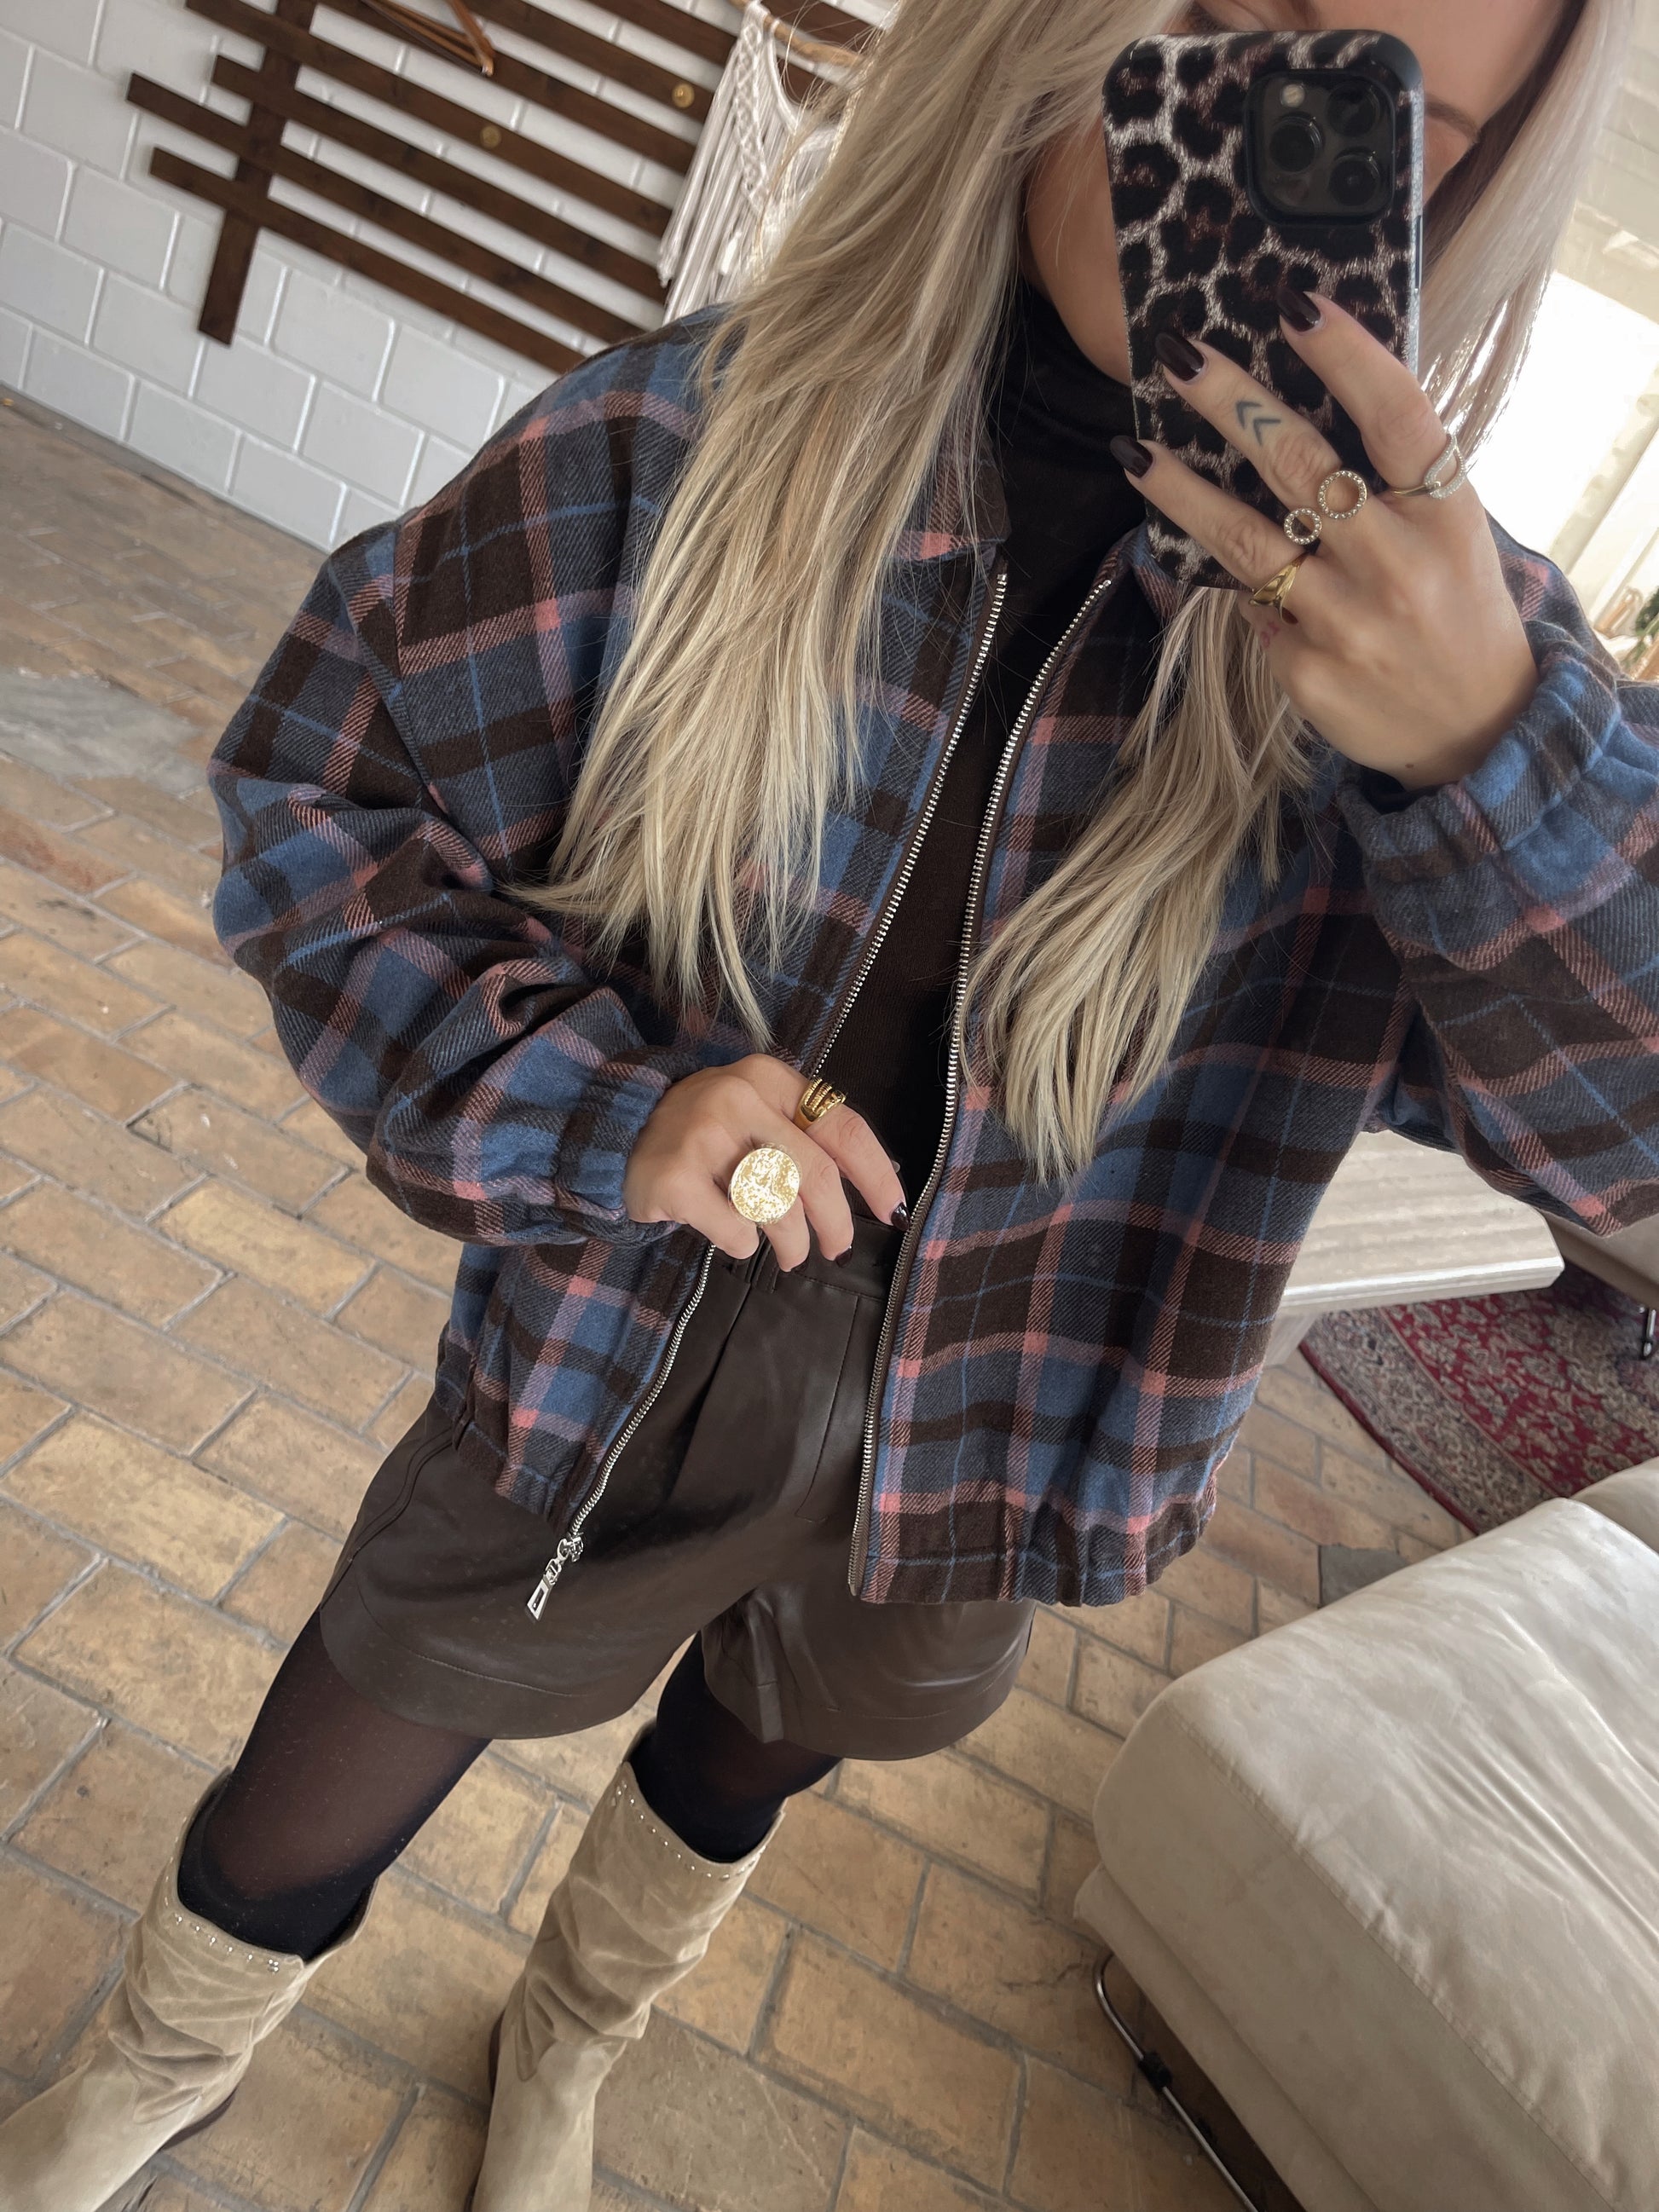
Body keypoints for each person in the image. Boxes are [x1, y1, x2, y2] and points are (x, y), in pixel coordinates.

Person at [3, 0, 1652, 2206]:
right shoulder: (682, 446)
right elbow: (323, 795)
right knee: (359, 1722)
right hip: (615, 1338)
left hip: (1008, 1416)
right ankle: (156, 2066)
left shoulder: (1459, 667)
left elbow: (1627, 1138)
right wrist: (596, 1102)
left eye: (1389, 125)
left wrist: (1489, 762)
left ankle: (572, 2035)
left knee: (743, 1764)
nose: (1265, 159)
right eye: (1221, 31)